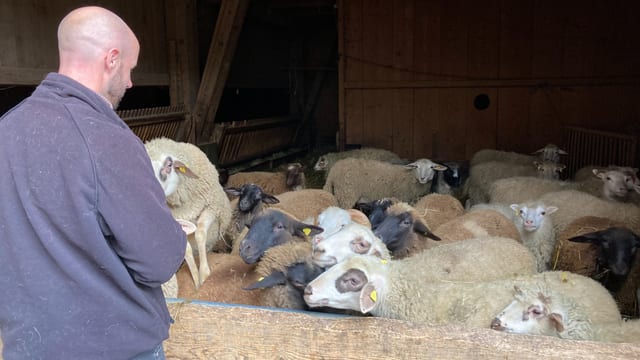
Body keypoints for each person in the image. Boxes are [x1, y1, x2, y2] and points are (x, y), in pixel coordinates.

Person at [0, 6, 186, 360]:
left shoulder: (6, 129)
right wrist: (172, 231)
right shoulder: (105, 138)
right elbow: (159, 260)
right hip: (113, 347)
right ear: (112, 59)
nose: (131, 82)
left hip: (28, 346)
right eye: (131, 69)